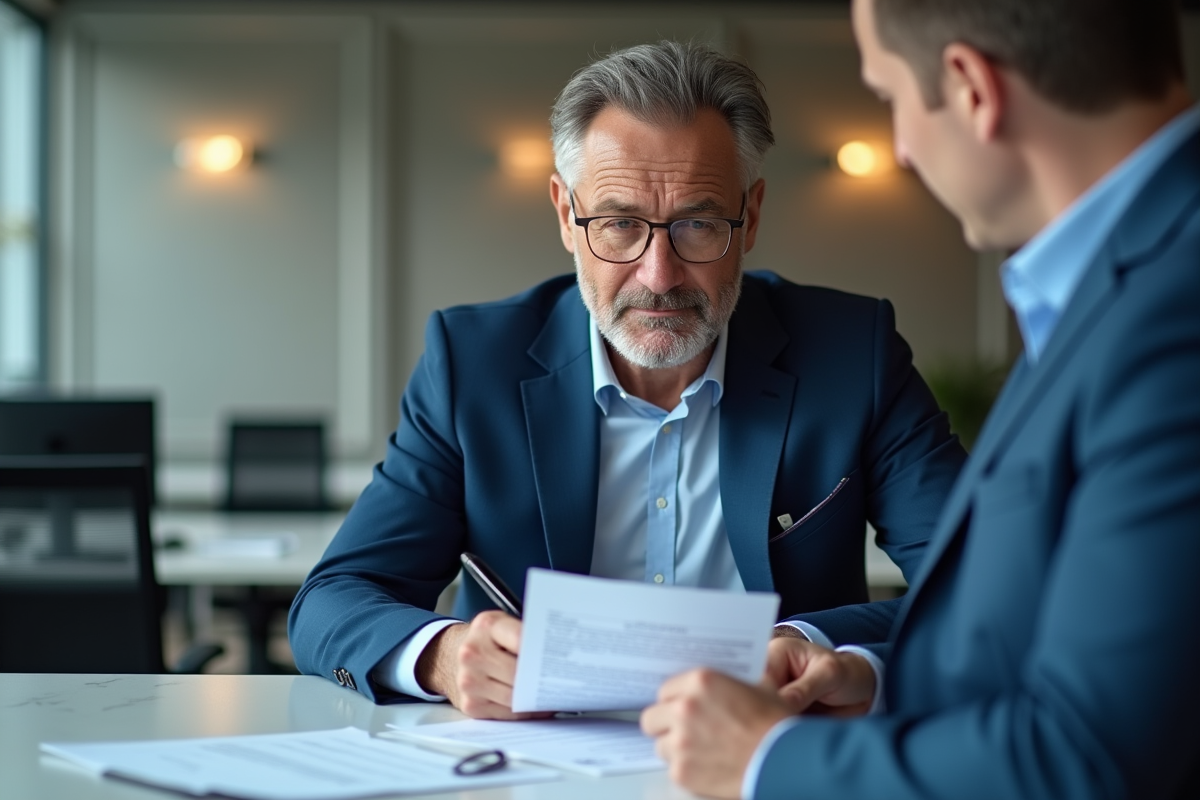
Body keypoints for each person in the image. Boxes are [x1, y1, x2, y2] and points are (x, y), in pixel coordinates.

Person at [288, 40, 965, 716]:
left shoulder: (852, 353)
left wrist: (813, 643)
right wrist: (440, 657)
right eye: (618, 225)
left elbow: (985, 586)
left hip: (770, 757)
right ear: (565, 214)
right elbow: (334, 600)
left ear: (750, 215)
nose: (659, 276)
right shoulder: (471, 364)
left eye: (698, 224)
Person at [641, 1, 1200, 798]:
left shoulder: (1172, 313)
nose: (900, 149)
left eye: (891, 96)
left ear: (973, 89)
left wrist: (766, 762)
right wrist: (871, 679)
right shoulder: (1115, 286)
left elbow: (1093, 756)